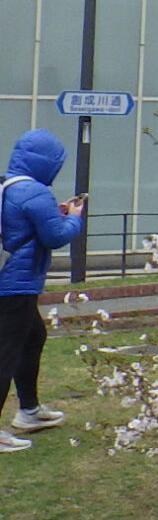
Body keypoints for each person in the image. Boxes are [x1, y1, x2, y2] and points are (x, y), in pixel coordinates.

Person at [0, 128, 85, 452]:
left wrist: (56, 214)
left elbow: (29, 227)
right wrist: (75, 218)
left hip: (10, 283)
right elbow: (54, 237)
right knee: (5, 355)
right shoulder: (34, 192)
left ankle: (30, 411)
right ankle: (20, 417)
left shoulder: (9, 187)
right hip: (15, 287)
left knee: (33, 337)